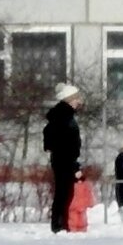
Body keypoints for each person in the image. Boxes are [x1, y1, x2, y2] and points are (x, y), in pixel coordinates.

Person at [42, 83, 83, 233]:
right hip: (64, 161)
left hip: (61, 160)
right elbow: (66, 145)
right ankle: (60, 226)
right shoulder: (64, 118)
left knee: (63, 193)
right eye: (77, 98)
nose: (79, 101)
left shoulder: (62, 116)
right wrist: (74, 166)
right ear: (69, 99)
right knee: (64, 194)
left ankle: (61, 225)